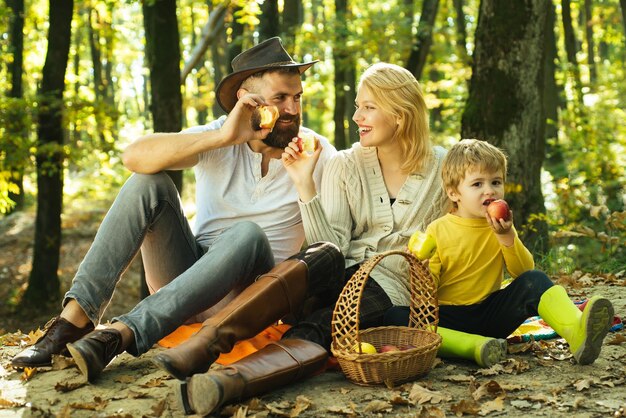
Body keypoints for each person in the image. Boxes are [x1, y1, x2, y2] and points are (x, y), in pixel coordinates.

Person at [153, 63, 500, 417]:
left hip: (390, 286)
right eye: (357, 106)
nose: (356, 117)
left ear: (400, 114)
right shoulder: (345, 164)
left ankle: (227, 383)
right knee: (322, 256)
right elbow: (329, 244)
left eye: (368, 107)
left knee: (321, 325)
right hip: (340, 269)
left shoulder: (444, 169)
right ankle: (208, 341)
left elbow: (469, 229)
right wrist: (305, 183)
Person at [11, 37, 343, 382]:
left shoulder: (317, 152)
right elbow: (133, 157)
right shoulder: (220, 134)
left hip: (252, 295)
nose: (292, 109)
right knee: (147, 183)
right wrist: (224, 138)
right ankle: (73, 320)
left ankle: (122, 333)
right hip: (189, 277)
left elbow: (329, 251)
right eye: (280, 98)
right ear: (249, 101)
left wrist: (305, 182)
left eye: (297, 97)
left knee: (247, 234)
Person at [385, 139, 615, 366]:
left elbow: (523, 271)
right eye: (477, 184)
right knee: (394, 317)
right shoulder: (438, 229)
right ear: (454, 192)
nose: (489, 191)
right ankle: (474, 348)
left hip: (491, 315)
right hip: (450, 319)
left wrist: (507, 237)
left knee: (535, 280)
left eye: (496, 182)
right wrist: (421, 272)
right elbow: (426, 296)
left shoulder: (500, 225)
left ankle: (577, 332)